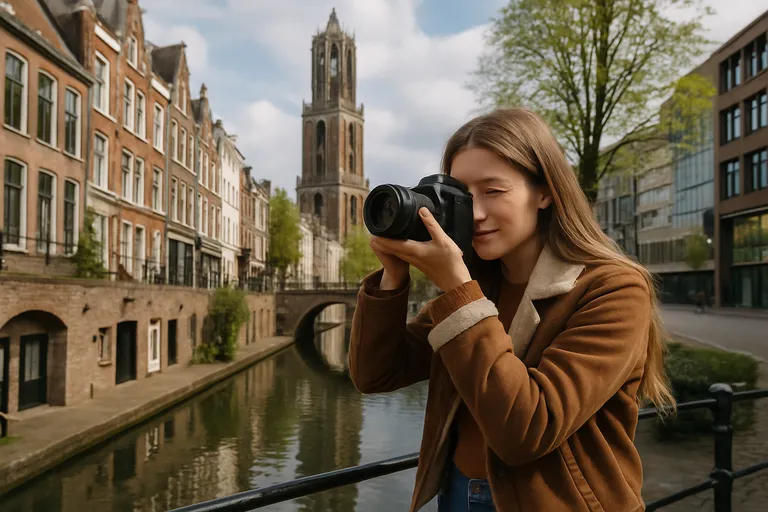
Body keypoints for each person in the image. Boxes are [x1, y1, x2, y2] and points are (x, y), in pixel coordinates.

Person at [348, 107, 675, 512]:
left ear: (544, 192)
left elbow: (528, 430)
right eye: (463, 196)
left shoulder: (613, 289)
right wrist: (393, 275)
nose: (476, 213)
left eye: (493, 191)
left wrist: (457, 288)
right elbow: (376, 373)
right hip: (456, 495)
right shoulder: (478, 287)